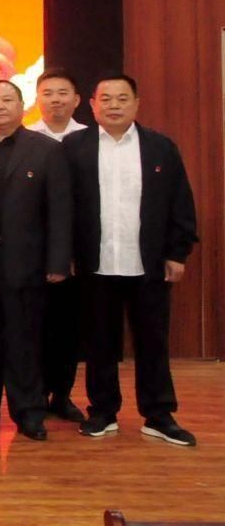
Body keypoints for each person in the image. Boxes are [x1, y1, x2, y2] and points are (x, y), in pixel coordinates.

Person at [65, 74, 199, 446]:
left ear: (137, 103)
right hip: (94, 263)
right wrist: (66, 255)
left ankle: (158, 414)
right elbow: (62, 207)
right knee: (99, 342)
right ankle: (102, 411)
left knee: (153, 341)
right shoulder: (74, 148)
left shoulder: (160, 147)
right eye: (106, 98)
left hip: (148, 264)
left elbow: (180, 203)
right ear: (92, 105)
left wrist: (177, 252)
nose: (114, 105)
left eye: (122, 98)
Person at [0, 79, 72, 440]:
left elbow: (60, 210)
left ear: (21, 105)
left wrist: (58, 262)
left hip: (26, 262)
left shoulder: (46, 150)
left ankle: (29, 412)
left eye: (6, 100)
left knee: (24, 340)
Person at [29, 67, 89, 422]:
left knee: (68, 326)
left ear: (77, 100)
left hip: (77, 251)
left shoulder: (88, 139)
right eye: (48, 93)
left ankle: (62, 394)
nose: (55, 100)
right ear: (37, 99)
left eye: (63, 93)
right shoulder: (27, 138)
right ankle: (35, 393)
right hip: (33, 248)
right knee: (35, 325)